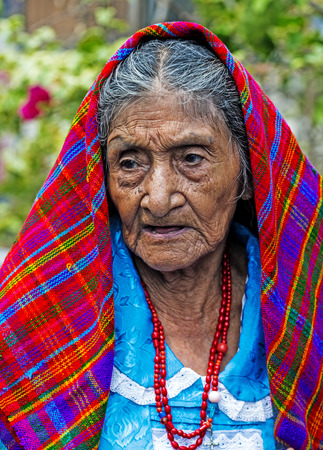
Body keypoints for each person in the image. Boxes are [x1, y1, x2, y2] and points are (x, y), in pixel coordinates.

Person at [0, 22, 321, 450]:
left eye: (191, 158)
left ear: (249, 174)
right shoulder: (46, 316)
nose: (157, 198)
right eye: (130, 163)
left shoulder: (305, 308)